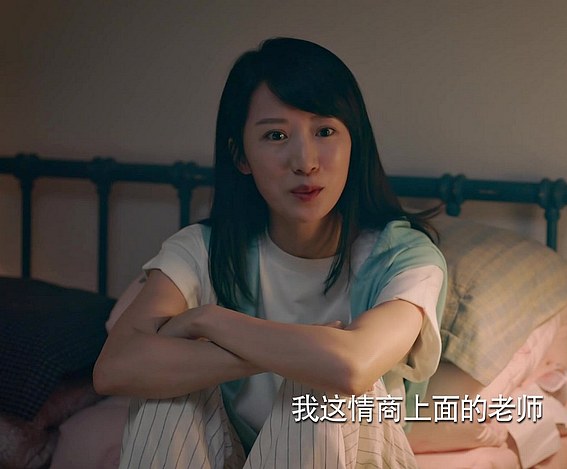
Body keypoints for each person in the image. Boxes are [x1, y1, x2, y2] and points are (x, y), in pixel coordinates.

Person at [93, 37, 447, 469]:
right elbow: (116, 368)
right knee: (164, 395)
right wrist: (293, 350)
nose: (305, 162)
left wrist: (208, 320)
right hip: (231, 455)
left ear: (354, 142)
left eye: (325, 131)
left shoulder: (404, 257)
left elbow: (352, 365)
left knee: (322, 387)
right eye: (276, 135)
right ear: (241, 156)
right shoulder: (203, 249)